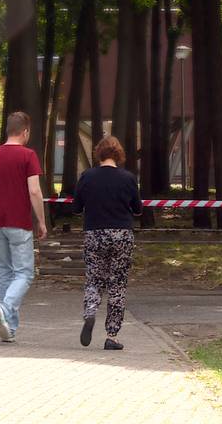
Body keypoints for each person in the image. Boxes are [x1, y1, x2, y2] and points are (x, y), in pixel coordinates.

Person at [0, 111, 48, 343]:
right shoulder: (28, 156)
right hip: (20, 223)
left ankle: (10, 328)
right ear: (25, 132)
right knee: (24, 273)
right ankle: (5, 310)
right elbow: (34, 190)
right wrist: (42, 221)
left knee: (4, 273)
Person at [73, 136, 142, 350]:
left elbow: (76, 208)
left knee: (94, 279)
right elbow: (138, 209)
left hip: (94, 233)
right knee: (117, 284)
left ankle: (90, 312)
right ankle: (112, 335)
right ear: (119, 154)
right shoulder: (128, 178)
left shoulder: (87, 176)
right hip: (122, 234)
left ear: (99, 153)